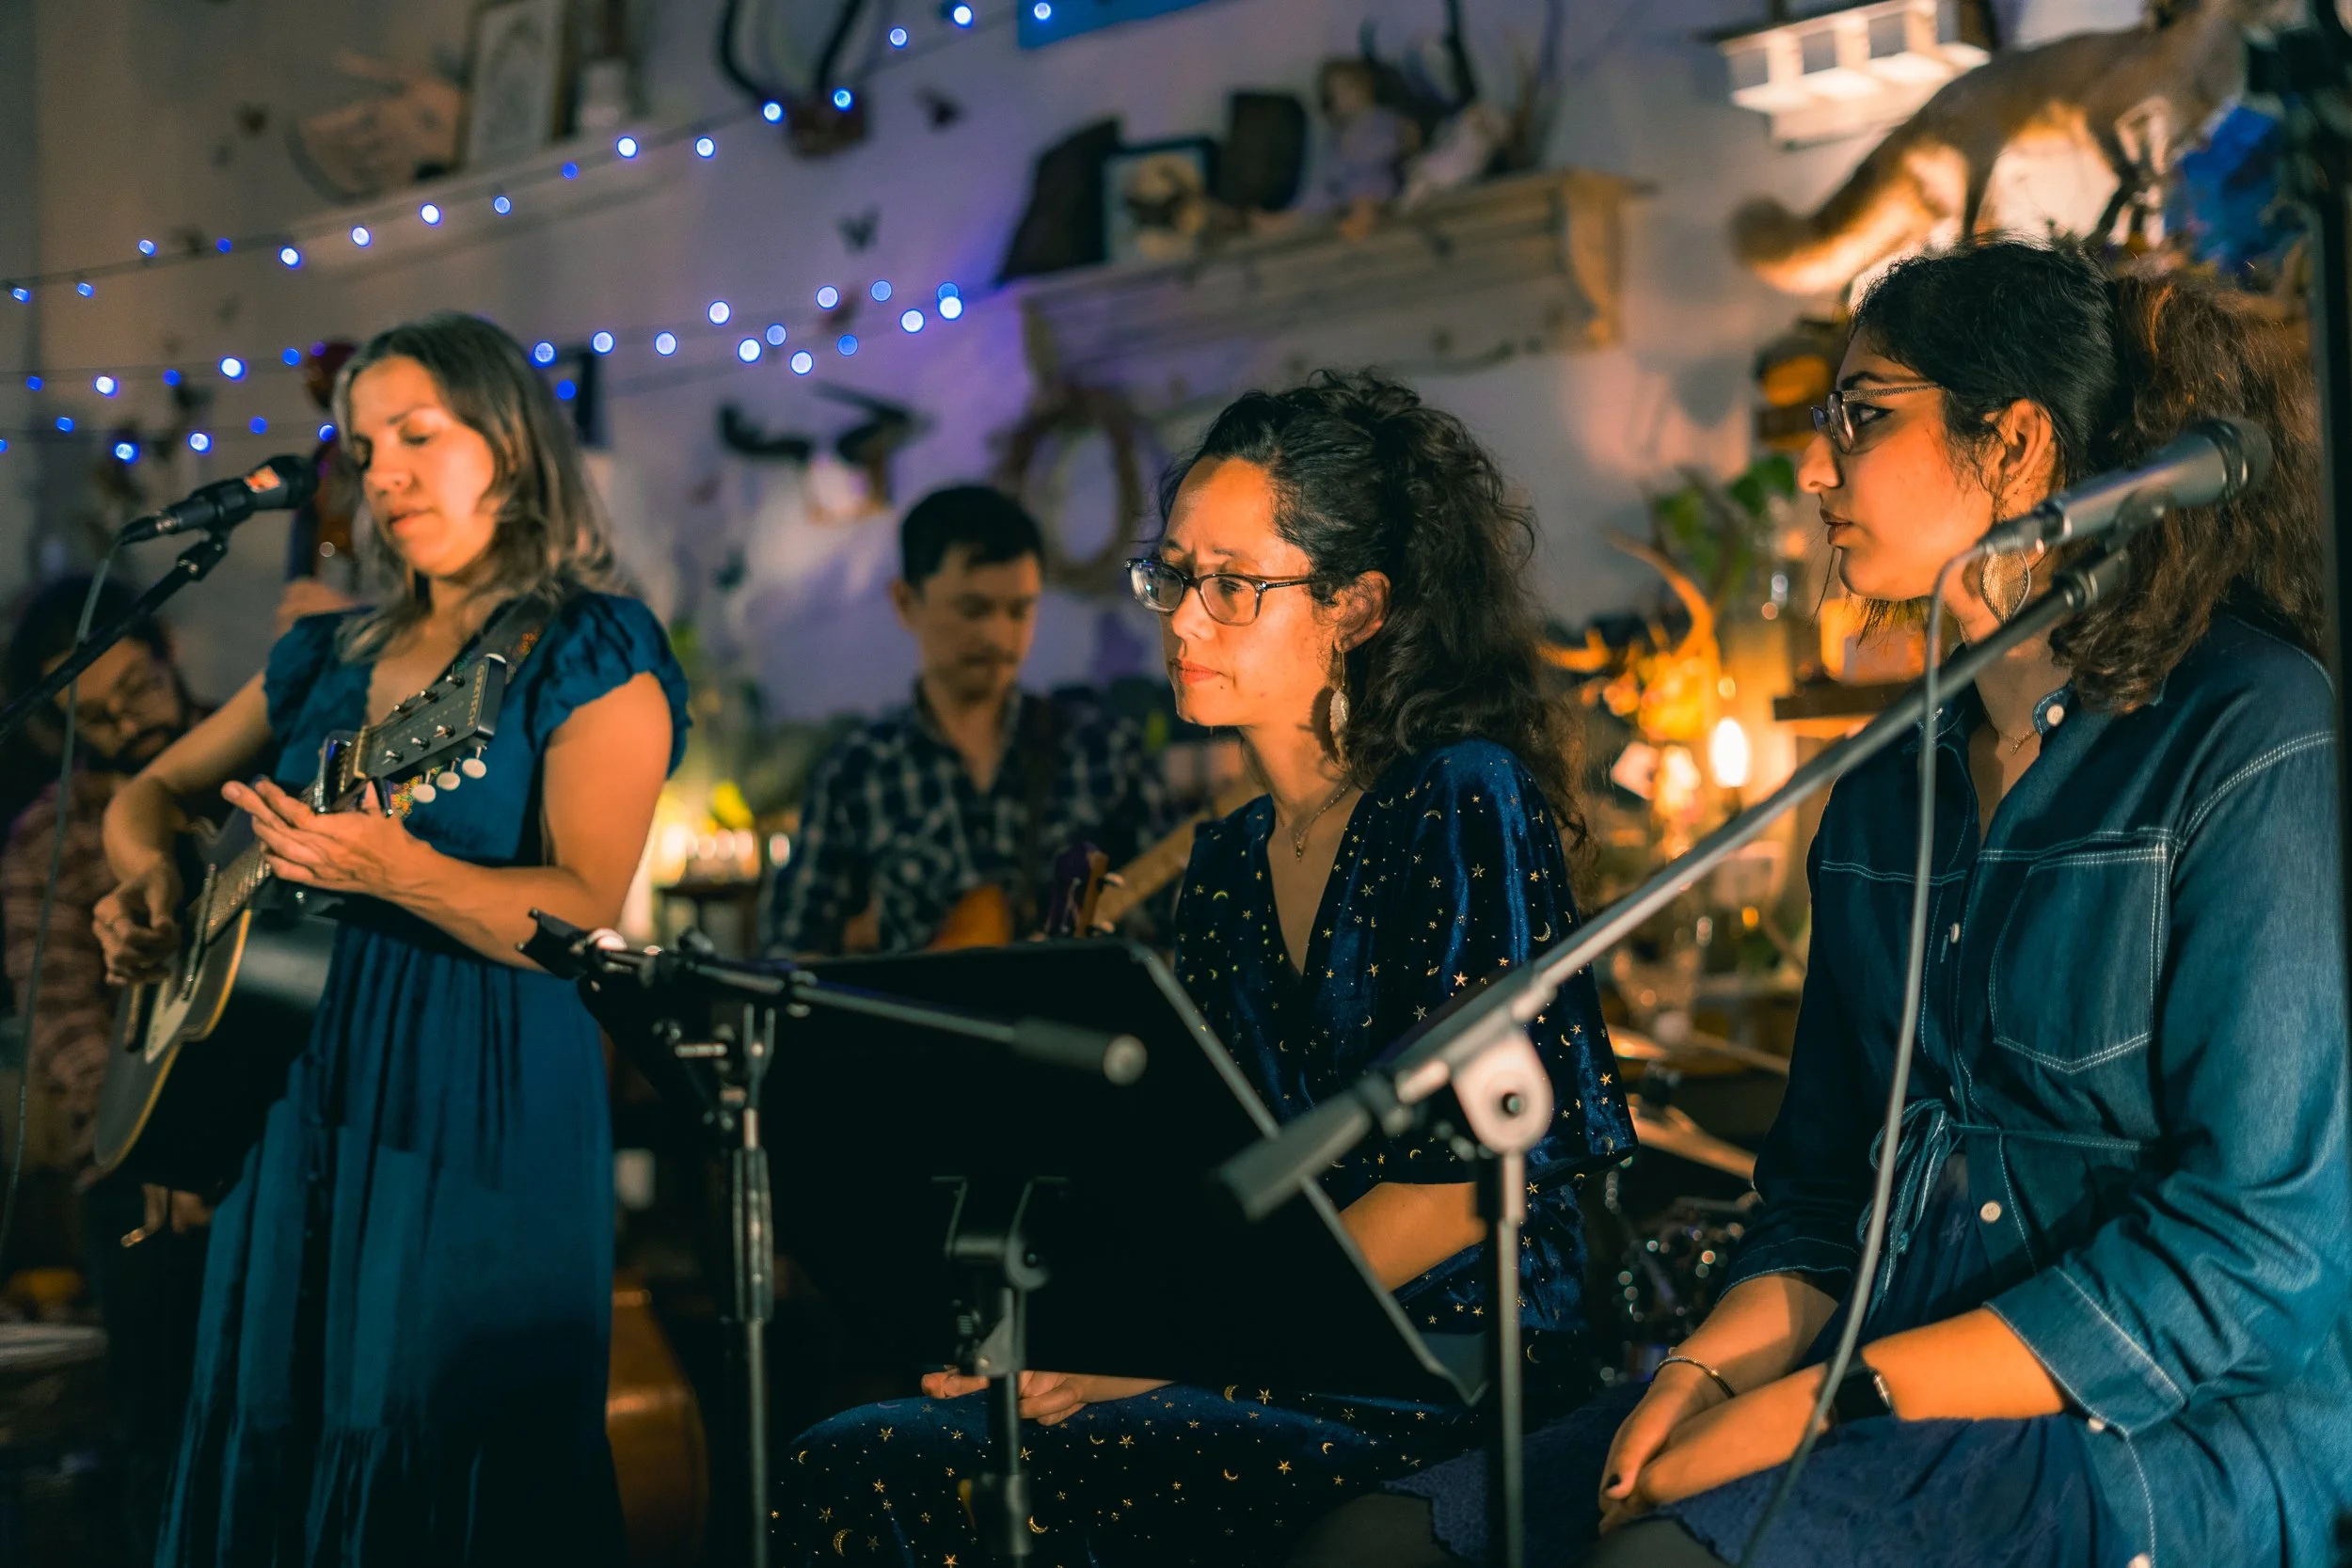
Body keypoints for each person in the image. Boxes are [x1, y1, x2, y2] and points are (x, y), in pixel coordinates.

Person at [1306, 240, 2352, 1568]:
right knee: (1372, 1541)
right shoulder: (1882, 791)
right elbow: (1814, 1187)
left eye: (1864, 417)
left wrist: (1817, 1400)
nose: (1817, 469)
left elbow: (2259, 1241)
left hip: (2152, 1431)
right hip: (1877, 1381)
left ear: (2017, 447)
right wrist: (1696, 1373)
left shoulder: (2252, 730)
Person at [771, 371, 1634, 1567]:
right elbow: (1203, 1174)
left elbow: (1452, 1195)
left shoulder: (1457, 794)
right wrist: (1063, 1328)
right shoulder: (1227, 860)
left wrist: (1165, 1344)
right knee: (860, 1449)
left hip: (1442, 1365)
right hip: (1266, 1347)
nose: (1179, 618)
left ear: (1357, 605)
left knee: (902, 1471)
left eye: (1231, 586)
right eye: (1173, 575)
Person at [92, 309, 690, 1566]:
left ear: (512, 448)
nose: (388, 473)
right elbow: (142, 796)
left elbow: (585, 903)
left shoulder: (589, 646)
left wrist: (400, 868)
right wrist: (154, 889)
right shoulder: (320, 654)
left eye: (420, 434)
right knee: (283, 1418)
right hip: (290, 1092)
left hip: (475, 1106)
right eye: (366, 447)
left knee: (438, 1430)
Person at [1, 576, 210, 1563]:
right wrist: (164, 1142)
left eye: (137, 685)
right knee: (160, 1435)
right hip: (137, 1163)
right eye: (95, 713)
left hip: (276, 1149)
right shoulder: (47, 834)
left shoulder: (268, 760)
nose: (126, 718)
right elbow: (63, 1027)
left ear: (167, 649)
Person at [763, 484, 1169, 957]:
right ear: (905, 603)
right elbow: (792, 950)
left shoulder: (1104, 751)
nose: (998, 635)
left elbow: (1176, 928)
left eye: (1020, 610)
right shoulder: (856, 773)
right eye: (973, 609)